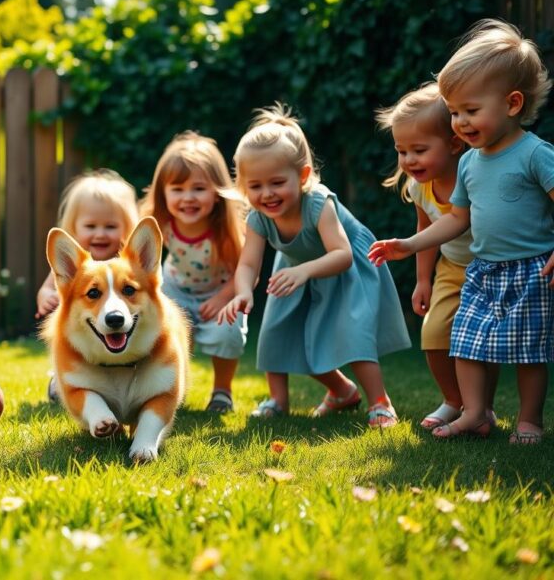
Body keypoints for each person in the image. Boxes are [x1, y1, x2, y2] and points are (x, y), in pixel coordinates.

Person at [369, 20, 554, 443]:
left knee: (529, 354)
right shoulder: (470, 161)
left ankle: (529, 420)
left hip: (530, 269)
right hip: (483, 270)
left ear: (511, 103)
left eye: (470, 110)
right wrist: (409, 245)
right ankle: (473, 411)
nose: (459, 122)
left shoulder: (535, 154)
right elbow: (455, 219)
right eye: (454, 112)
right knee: (466, 344)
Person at [218, 104, 410, 427]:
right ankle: (315, 395)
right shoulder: (258, 217)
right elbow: (248, 264)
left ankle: (380, 401)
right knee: (280, 334)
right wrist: (242, 294)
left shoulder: (318, 203)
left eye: (277, 182)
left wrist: (303, 271)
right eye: (255, 186)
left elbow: (342, 254)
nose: (267, 194)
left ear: (303, 175)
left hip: (343, 269)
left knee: (352, 335)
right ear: (243, 186)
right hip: (293, 270)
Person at [376, 82, 499, 430]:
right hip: (452, 268)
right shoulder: (419, 185)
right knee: (433, 334)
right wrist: (422, 280)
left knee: (481, 341)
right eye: (401, 151)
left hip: (489, 268)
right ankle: (453, 400)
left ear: (454, 143)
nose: (408, 160)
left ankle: (483, 409)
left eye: (418, 149)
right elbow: (424, 231)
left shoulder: (475, 176)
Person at [139, 132, 247, 413]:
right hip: (175, 290)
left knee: (228, 334)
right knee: (157, 335)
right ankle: (164, 386)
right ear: (163, 192)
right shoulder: (160, 223)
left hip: (219, 292)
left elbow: (248, 271)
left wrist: (224, 297)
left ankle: (222, 391)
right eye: (177, 189)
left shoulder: (225, 230)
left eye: (199, 188)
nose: (188, 198)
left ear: (217, 191)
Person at [36, 169, 140, 401]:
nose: (100, 234)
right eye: (91, 226)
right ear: (74, 229)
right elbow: (48, 286)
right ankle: (63, 376)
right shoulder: (74, 268)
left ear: (128, 228)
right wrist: (45, 297)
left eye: (110, 227)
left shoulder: (129, 268)